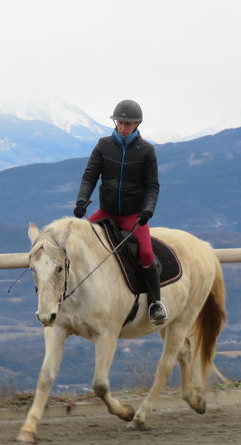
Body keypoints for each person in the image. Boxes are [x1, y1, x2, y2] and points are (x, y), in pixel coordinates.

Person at [74, 99, 167, 324]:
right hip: (105, 212)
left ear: (137, 124)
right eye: (120, 122)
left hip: (133, 216)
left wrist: (147, 210)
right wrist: (82, 200)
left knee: (146, 254)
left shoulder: (146, 150)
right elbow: (90, 176)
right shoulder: (103, 145)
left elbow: (152, 186)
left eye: (128, 123)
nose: (123, 127)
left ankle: (156, 303)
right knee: (76, 239)